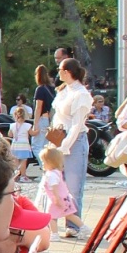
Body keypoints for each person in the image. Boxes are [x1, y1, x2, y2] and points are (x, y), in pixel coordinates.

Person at [49, 57, 92, 237]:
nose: (58, 72)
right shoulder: (63, 91)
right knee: (55, 184)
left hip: (75, 141)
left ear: (67, 72)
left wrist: (65, 145)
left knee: (73, 187)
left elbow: (77, 124)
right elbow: (57, 117)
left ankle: (74, 225)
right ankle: (53, 224)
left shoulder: (81, 94)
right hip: (58, 137)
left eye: (60, 69)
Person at [32, 142, 74, 252]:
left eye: (44, 162)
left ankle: (54, 234)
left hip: (56, 198)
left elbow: (54, 187)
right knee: (68, 214)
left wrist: (56, 198)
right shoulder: (57, 172)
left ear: (50, 162)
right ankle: (83, 227)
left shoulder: (51, 174)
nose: (42, 164)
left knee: (50, 216)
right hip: (63, 197)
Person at [7, 105, 35, 177]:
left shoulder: (12, 125)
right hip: (24, 145)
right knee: (23, 161)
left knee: (16, 161)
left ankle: (15, 175)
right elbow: (32, 133)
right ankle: (23, 175)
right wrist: (37, 131)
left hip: (15, 145)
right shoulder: (27, 125)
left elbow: (10, 135)